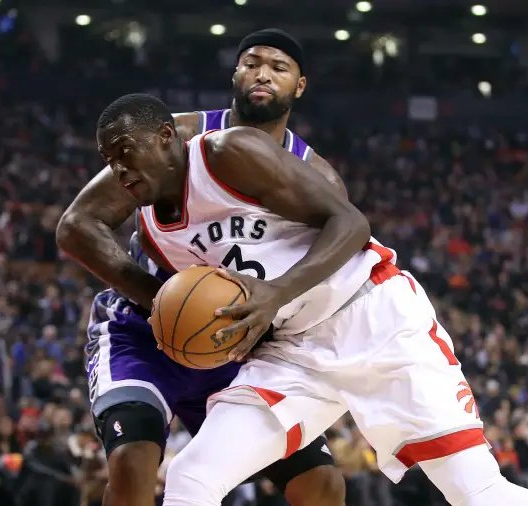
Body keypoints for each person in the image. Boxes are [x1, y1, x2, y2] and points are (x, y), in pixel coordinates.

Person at [90, 92, 528, 506]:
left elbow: (352, 224)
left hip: (373, 316)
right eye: (109, 159)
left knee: (475, 494)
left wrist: (277, 293)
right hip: (292, 352)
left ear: (168, 136)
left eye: (126, 152)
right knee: (192, 476)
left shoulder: (230, 151)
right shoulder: (154, 231)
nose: (119, 169)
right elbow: (77, 230)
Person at [57, 29, 346, 506]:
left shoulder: (319, 178)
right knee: (132, 465)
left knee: (321, 484)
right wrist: (157, 298)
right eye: (252, 63)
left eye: (278, 67)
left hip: (237, 343)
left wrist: (276, 306)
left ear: (300, 86)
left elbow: (338, 248)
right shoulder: (173, 137)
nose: (262, 74)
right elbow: (77, 225)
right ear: (234, 74)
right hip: (143, 333)